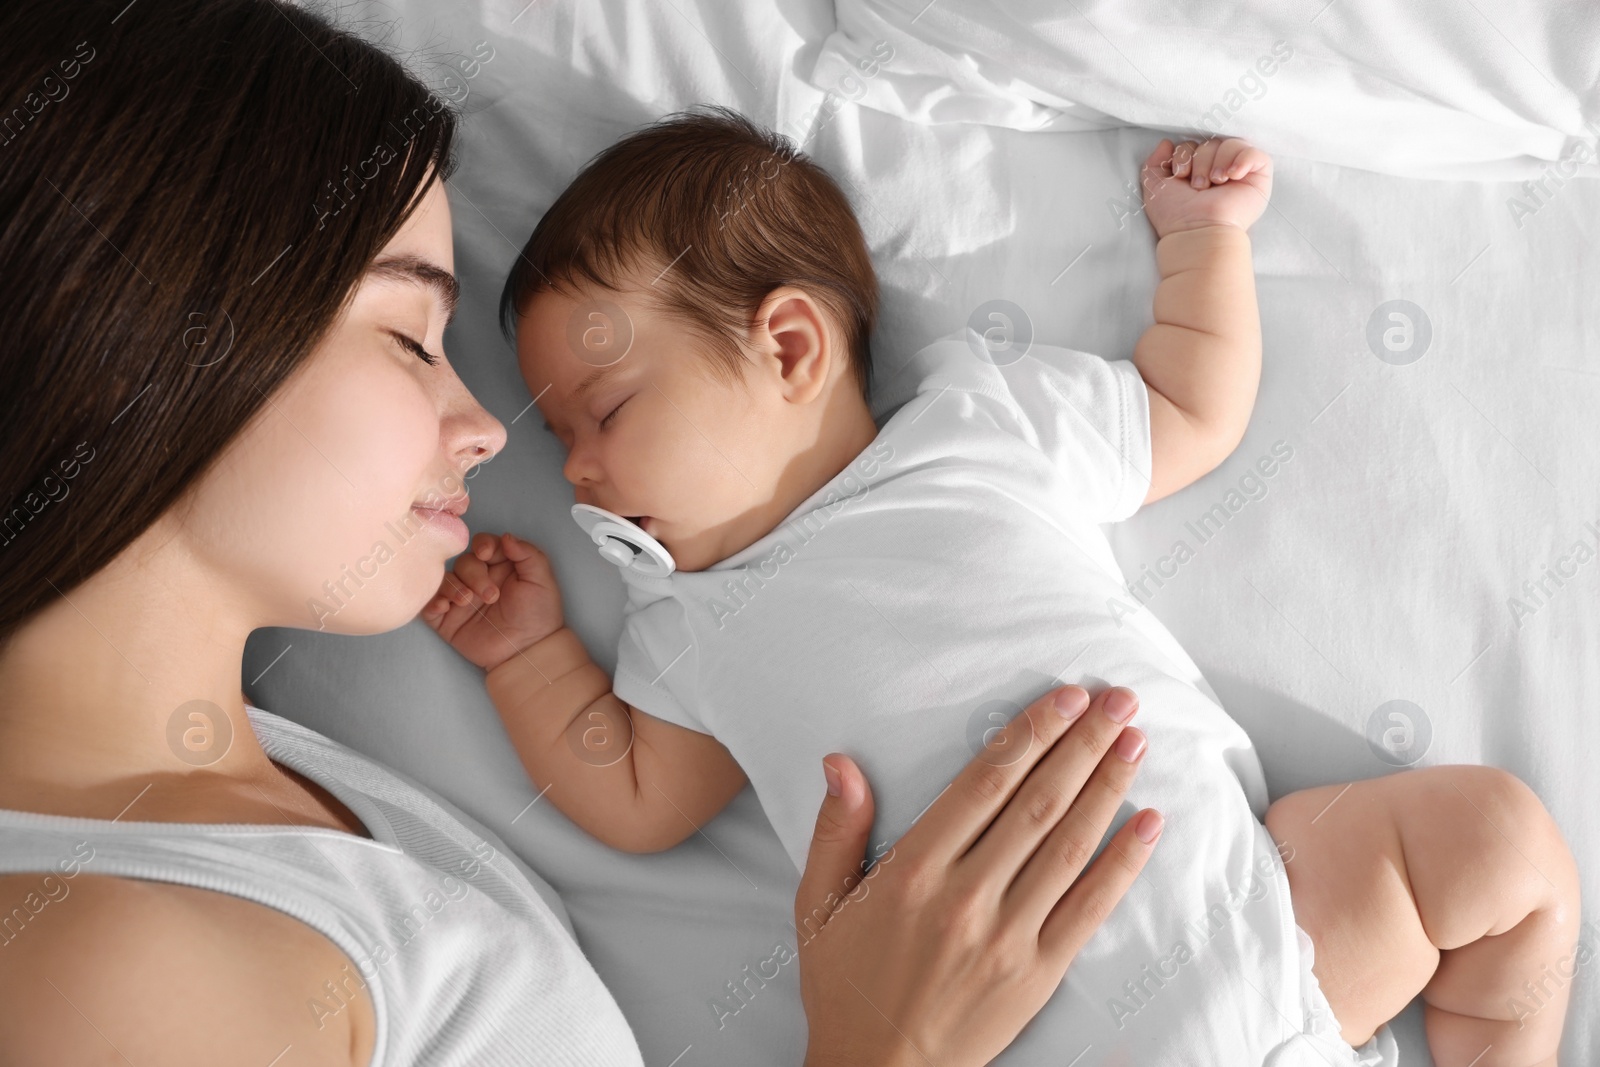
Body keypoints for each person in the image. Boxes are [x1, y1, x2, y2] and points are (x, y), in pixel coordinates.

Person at [0, 2, 1160, 1064]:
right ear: (147, 332)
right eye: (412, 337)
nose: (485, 431)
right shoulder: (112, 976)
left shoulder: (234, 782)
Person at [434, 108, 1581, 1065]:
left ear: (787, 346)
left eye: (609, 410)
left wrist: (1200, 242)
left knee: (1498, 845)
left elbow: (1185, 407)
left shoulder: (978, 428)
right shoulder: (683, 615)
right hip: (1005, 1029)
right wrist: (529, 656)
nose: (577, 469)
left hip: (1255, 943)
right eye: (563, 440)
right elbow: (639, 798)